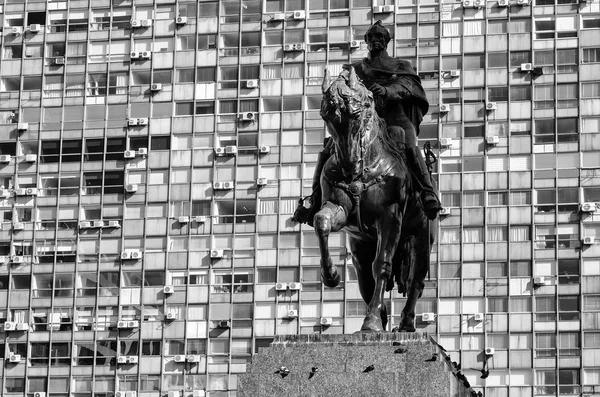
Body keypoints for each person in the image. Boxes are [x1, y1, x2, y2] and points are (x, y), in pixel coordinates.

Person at [293, 20, 442, 225]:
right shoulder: (354, 68)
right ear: (366, 41)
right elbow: (341, 86)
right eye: (371, 37)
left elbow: (409, 87)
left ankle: (427, 192)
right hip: (362, 120)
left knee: (409, 146)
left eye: (380, 37)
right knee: (329, 148)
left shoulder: (400, 66)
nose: (375, 41)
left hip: (394, 118)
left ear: (387, 41)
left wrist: (388, 91)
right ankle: (314, 198)